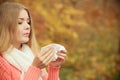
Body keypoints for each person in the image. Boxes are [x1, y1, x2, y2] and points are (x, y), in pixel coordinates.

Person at [0, 2, 67, 80]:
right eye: (20, 22)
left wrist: (54, 67)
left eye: (28, 22)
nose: (28, 26)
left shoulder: (31, 54)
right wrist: (35, 68)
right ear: (5, 26)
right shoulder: (2, 63)